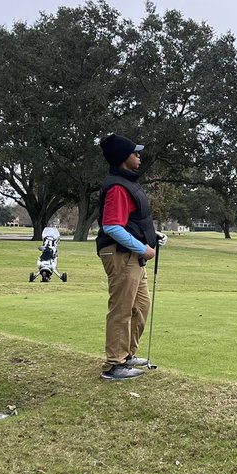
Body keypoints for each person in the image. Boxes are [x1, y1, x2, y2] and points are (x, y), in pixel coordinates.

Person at [95, 133, 165, 381]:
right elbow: (112, 226)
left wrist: (153, 235)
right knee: (122, 308)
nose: (139, 156)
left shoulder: (127, 183)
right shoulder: (117, 187)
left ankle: (126, 355)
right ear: (124, 157)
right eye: (135, 153)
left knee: (141, 306)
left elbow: (131, 221)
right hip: (121, 254)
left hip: (132, 255)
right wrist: (142, 248)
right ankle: (115, 364)